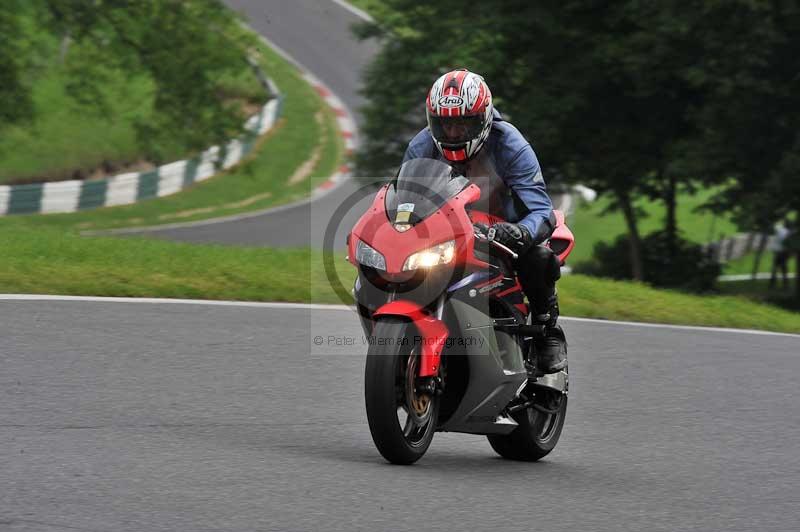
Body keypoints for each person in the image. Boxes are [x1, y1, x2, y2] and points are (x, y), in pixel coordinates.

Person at [401, 68, 566, 373]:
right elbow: (403, 199)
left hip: (502, 232)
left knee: (539, 258)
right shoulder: (421, 146)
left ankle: (546, 330)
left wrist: (520, 232)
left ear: (483, 119)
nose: (453, 134)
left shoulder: (511, 145)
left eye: (462, 124)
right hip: (445, 232)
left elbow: (542, 209)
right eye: (445, 124)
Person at [769, 220, 791, 290]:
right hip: (784, 252)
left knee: (776, 267)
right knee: (782, 268)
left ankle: (773, 283)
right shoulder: (787, 231)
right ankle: (784, 284)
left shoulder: (781, 230)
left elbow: (775, 226)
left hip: (780, 252)